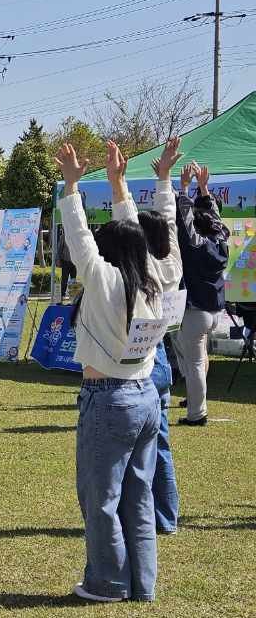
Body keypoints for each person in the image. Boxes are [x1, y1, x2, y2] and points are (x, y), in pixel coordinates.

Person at [57, 137, 181, 603]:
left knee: (101, 499)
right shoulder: (156, 279)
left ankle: (108, 582)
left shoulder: (105, 280)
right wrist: (119, 184)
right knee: (138, 495)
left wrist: (73, 187)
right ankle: (142, 582)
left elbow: (80, 238)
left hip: (108, 398)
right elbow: (141, 233)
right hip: (145, 396)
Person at [137, 206, 182, 536]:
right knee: (160, 445)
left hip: (144, 358)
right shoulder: (172, 266)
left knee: (136, 451)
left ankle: (143, 516)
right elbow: (171, 223)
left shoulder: (147, 269)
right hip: (161, 355)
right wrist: (166, 183)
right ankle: (165, 517)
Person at [173, 161, 229, 427]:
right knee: (200, 358)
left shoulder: (196, 245)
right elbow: (216, 221)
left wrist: (184, 188)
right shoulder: (221, 243)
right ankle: (196, 401)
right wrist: (204, 189)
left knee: (194, 362)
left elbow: (185, 222)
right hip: (214, 311)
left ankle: (196, 413)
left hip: (196, 311)